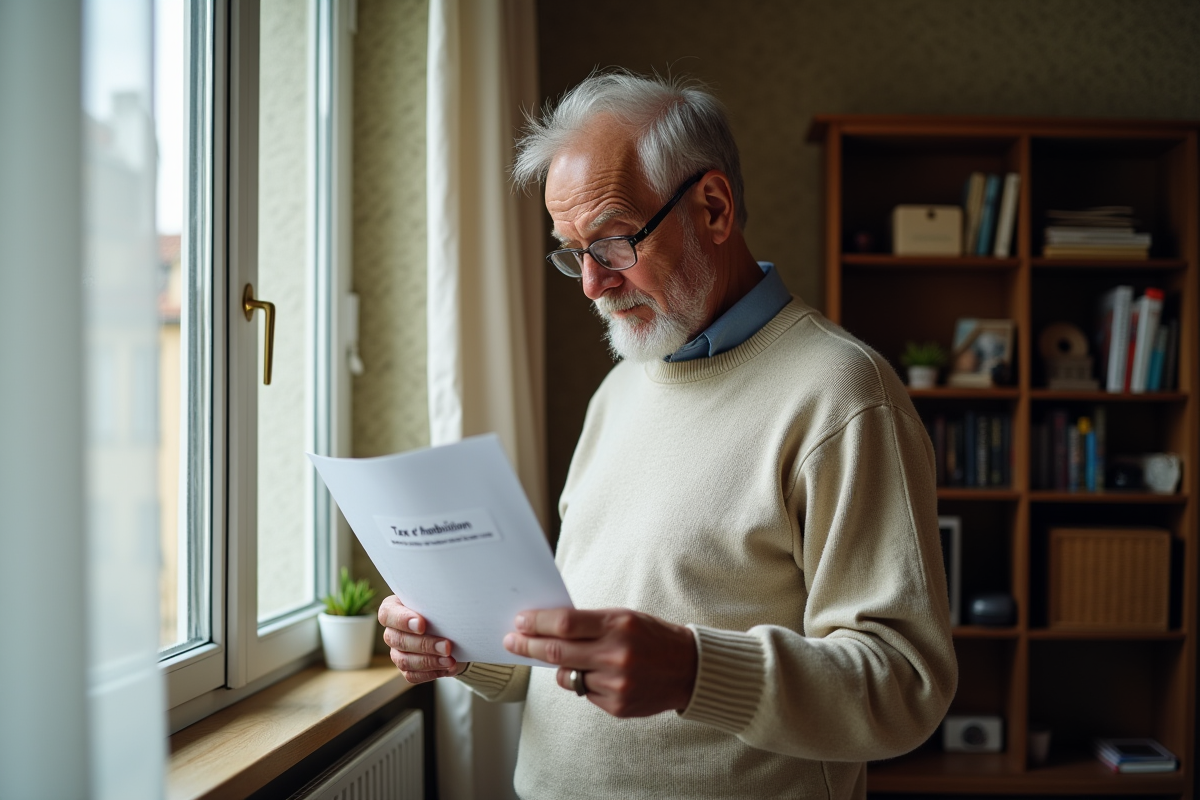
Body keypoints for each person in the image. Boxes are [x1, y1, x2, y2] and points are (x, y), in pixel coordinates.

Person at [379, 70, 957, 799]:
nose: (592, 284)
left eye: (614, 242)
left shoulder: (844, 396)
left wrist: (692, 672)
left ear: (713, 207)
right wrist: (462, 647)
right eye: (571, 252)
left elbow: (904, 686)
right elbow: (580, 659)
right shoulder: (619, 389)